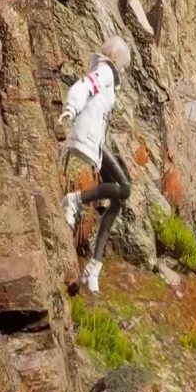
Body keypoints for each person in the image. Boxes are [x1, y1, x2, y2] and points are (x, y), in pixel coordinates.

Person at [59, 36, 132, 295]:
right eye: (125, 65)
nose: (124, 70)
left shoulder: (108, 74)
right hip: (92, 141)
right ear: (116, 59)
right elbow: (85, 86)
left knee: (119, 198)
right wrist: (71, 107)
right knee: (125, 188)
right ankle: (75, 200)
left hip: (97, 142)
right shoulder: (106, 72)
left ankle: (95, 267)